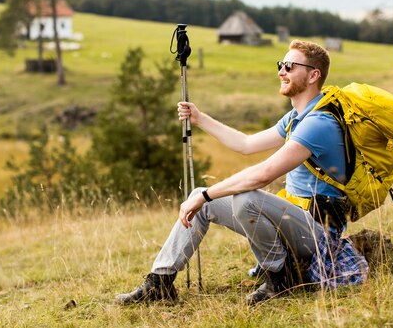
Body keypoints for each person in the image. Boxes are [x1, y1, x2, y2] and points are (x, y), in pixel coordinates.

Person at [115, 40, 367, 306]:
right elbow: (246, 144)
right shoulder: (296, 117)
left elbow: (263, 175)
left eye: (290, 66)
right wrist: (200, 119)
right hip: (295, 221)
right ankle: (160, 283)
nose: (282, 71)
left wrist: (209, 195)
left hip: (319, 234)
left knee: (244, 199)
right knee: (200, 196)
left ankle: (280, 280)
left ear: (313, 75)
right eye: (281, 65)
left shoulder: (319, 122)